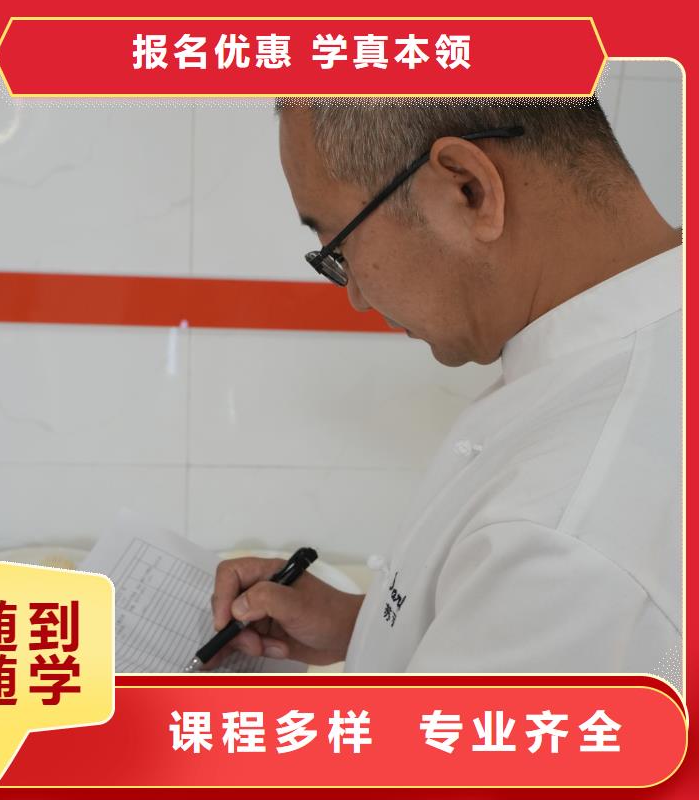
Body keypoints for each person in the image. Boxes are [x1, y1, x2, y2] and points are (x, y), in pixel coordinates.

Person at [208, 97, 682, 682]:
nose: (356, 296)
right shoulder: (623, 358)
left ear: (468, 190)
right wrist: (365, 627)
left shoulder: (566, 531)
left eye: (340, 248)